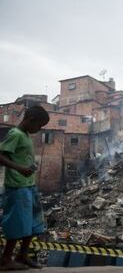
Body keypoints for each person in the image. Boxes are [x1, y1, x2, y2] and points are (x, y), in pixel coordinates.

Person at [0, 105, 50, 270]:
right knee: (17, 223)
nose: (40, 129)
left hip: (29, 185)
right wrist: (19, 168)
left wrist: (29, 166)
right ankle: (6, 259)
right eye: (40, 125)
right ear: (31, 120)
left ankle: (22, 255)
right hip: (16, 187)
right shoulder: (15, 134)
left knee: (34, 222)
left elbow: (21, 157)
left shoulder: (26, 135)